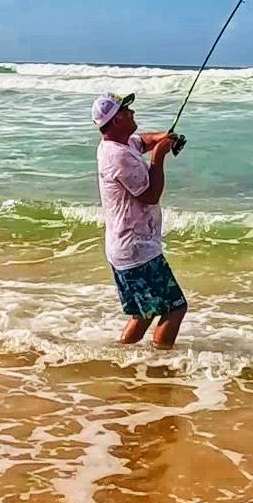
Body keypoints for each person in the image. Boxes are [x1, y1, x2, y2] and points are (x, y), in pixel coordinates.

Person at [91, 92, 188, 349]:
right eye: (126, 110)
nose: (132, 113)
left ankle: (123, 360)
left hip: (124, 248)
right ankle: (159, 366)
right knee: (175, 308)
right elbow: (150, 195)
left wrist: (162, 139)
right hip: (137, 250)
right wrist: (159, 156)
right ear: (115, 121)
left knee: (144, 314)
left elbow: (142, 141)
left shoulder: (117, 145)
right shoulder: (118, 157)